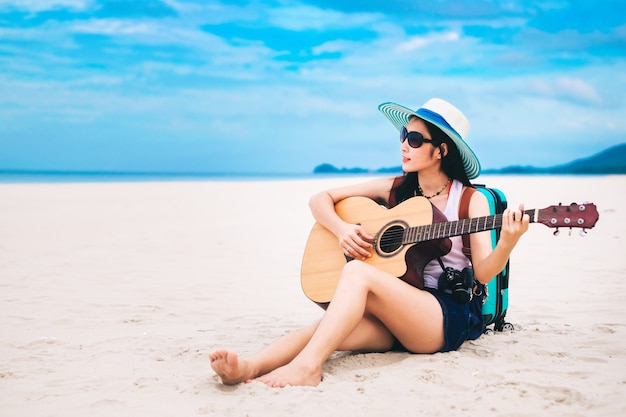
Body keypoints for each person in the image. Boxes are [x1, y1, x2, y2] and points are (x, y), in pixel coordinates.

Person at [209, 98, 530, 388]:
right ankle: (249, 368)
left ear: (441, 151)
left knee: (358, 274)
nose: (404, 145)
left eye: (415, 140)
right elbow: (320, 199)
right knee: (327, 329)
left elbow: (485, 274)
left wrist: (507, 242)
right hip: (402, 310)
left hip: (445, 316)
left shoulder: (469, 200)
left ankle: (307, 368)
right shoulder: (397, 189)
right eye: (404, 136)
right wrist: (341, 230)